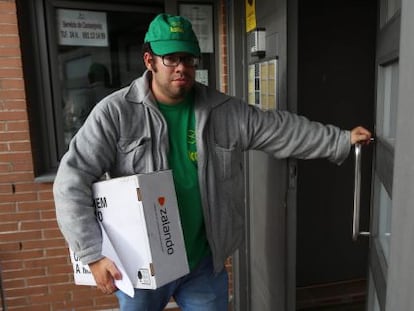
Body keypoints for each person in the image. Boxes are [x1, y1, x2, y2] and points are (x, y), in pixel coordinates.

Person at [53, 13, 372, 311]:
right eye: (171, 58)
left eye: (188, 58)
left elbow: (280, 129)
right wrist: (92, 254)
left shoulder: (223, 112)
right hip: (141, 264)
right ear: (149, 61)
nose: (182, 67)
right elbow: (71, 179)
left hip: (202, 263)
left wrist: (339, 140)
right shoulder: (116, 113)